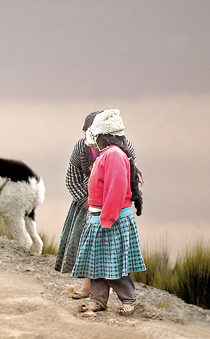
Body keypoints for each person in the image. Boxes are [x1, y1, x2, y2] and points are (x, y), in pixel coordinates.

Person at [70, 109, 145, 315]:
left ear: (101, 136)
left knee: (112, 264)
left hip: (110, 220)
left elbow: (116, 190)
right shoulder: (108, 155)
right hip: (100, 217)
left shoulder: (113, 156)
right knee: (95, 263)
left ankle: (129, 300)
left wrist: (107, 219)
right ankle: (97, 300)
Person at [54, 111, 137, 300]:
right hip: (86, 203)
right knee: (83, 247)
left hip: (113, 207)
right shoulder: (81, 148)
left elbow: (125, 178)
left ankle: (124, 296)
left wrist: (109, 209)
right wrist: (88, 204)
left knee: (111, 251)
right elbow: (71, 179)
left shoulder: (122, 148)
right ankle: (87, 288)